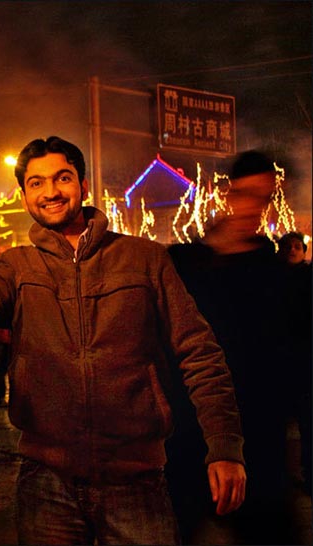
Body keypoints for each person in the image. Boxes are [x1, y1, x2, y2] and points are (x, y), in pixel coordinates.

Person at [0, 136, 246, 545]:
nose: (51, 191)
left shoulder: (144, 258)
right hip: (46, 481)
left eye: (62, 178)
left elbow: (198, 352)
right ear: (24, 196)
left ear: (84, 186)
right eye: (36, 183)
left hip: (137, 479)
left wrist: (224, 445)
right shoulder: (16, 266)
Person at [167, 151, 301, 544]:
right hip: (190, 428)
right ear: (228, 193)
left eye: (262, 198)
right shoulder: (186, 263)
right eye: (245, 194)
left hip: (259, 432)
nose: (251, 207)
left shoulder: (276, 273)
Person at [277, 231, 312, 496]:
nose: (292, 250)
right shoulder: (271, 280)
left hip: (302, 359)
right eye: (287, 246)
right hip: (281, 359)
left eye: (296, 247)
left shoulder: (307, 279)